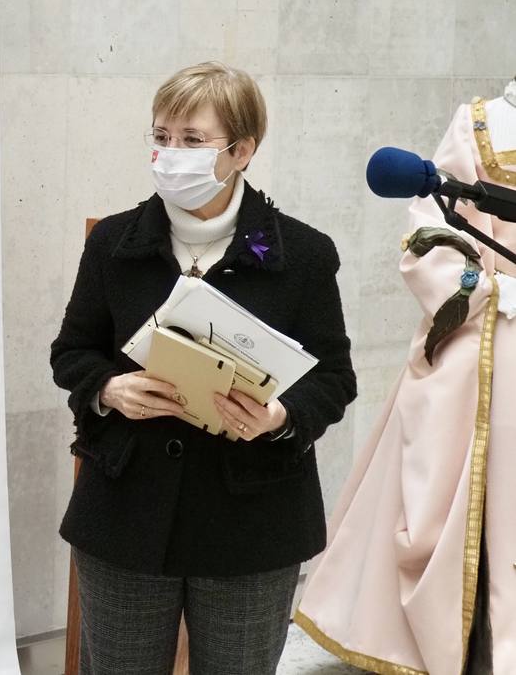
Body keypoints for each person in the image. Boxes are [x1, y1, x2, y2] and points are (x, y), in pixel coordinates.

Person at [50, 61, 356, 675]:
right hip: (126, 514)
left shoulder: (302, 254)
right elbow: (71, 352)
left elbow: (333, 378)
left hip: (251, 520)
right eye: (161, 137)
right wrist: (109, 388)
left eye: (192, 140)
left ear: (241, 150)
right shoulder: (113, 243)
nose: (170, 154)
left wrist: (278, 417)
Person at [296, 85, 516, 675]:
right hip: (485, 338)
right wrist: (489, 291)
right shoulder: (482, 125)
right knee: (452, 483)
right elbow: (431, 232)